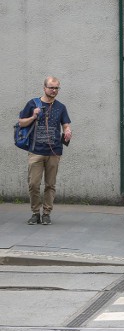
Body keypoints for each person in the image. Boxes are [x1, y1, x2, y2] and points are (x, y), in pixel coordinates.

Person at [18, 76, 72, 226]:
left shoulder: (61, 107)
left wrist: (67, 131)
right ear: (44, 88)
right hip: (35, 151)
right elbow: (21, 122)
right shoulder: (33, 103)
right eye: (51, 88)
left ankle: (46, 213)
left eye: (56, 88)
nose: (54, 90)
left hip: (54, 151)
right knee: (34, 184)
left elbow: (66, 124)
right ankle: (35, 213)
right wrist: (33, 116)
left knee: (50, 184)